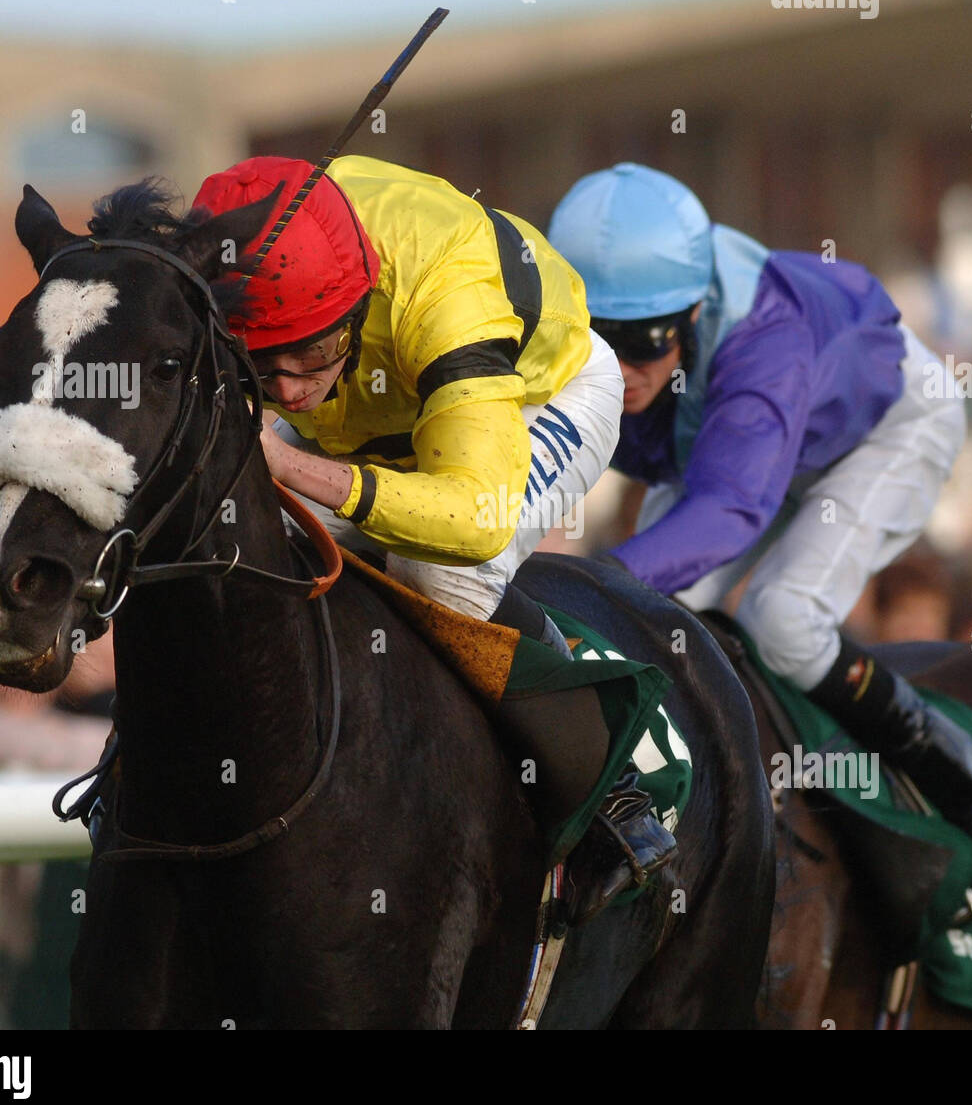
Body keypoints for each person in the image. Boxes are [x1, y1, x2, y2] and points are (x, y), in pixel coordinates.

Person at [549, 163, 972, 922]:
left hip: (878, 434)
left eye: (645, 341)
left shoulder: (765, 340)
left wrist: (591, 580)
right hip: (743, 447)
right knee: (640, 622)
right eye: (598, 340)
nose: (619, 370)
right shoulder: (641, 312)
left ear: (688, 314)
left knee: (782, 617)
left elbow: (731, 509)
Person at [191, 155, 674, 922]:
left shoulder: (446, 291)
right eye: (263, 364)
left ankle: (612, 778)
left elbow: (474, 515)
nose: (287, 390)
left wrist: (285, 463)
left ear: (354, 305)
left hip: (539, 394)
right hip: (390, 405)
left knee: (441, 570)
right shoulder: (231, 256)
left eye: (310, 355)